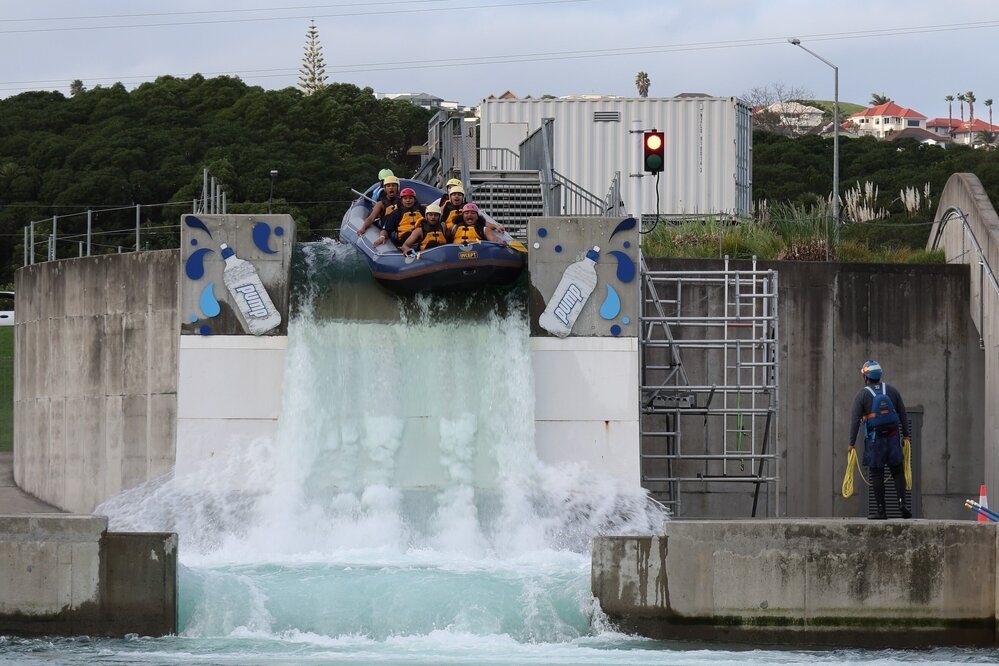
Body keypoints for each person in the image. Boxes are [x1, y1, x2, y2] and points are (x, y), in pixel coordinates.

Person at [847, 360, 911, 520]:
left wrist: (851, 443)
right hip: (893, 438)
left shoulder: (862, 395)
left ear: (866, 377)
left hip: (875, 441)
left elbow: (855, 420)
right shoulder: (892, 391)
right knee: (897, 471)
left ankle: (881, 511)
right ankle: (902, 504)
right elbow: (903, 413)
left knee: (877, 474)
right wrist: (906, 435)